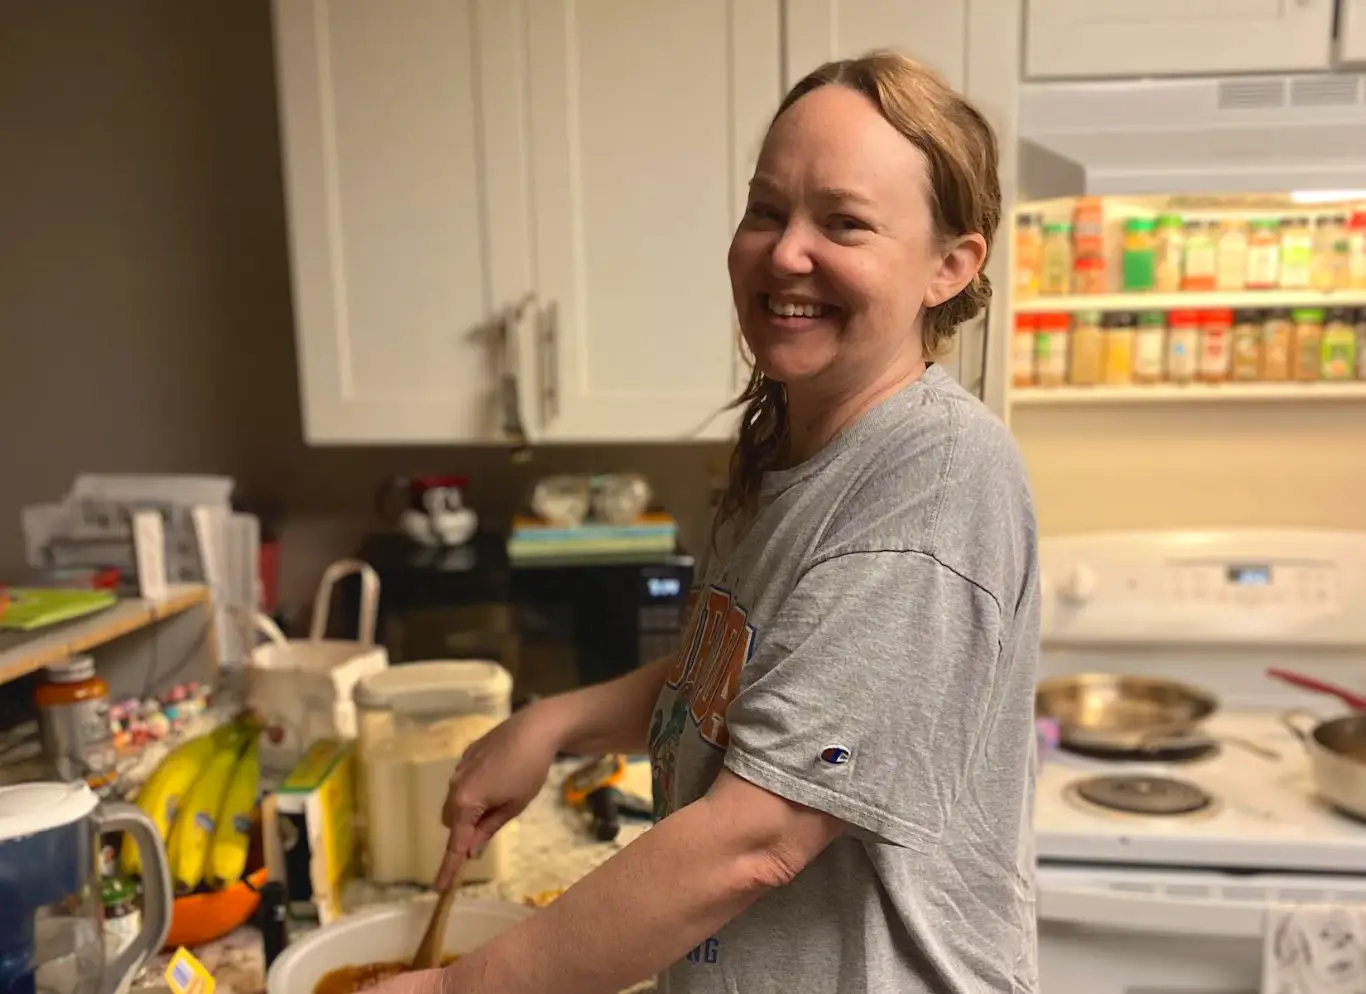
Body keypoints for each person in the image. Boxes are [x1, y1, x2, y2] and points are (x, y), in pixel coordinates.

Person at [375, 49, 1039, 994]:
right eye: (767, 210)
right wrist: (550, 723)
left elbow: (756, 839)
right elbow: (734, 687)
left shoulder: (933, 481)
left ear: (950, 266)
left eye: (843, 222)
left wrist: (455, 990)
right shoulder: (791, 450)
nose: (785, 252)